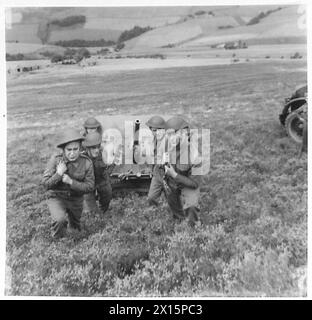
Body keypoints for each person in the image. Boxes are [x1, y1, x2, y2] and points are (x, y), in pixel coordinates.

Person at [41, 129, 95, 238]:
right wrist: (58, 174)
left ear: (80, 148)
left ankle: (73, 239)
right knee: (59, 220)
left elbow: (90, 186)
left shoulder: (86, 163)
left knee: (75, 228)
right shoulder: (55, 160)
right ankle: (57, 243)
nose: (72, 153)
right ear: (63, 150)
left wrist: (71, 182)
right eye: (69, 149)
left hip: (76, 198)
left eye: (76, 149)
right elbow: (45, 185)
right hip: (56, 196)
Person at [162, 116, 202, 227]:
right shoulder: (167, 145)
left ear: (184, 133)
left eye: (174, 133)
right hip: (172, 181)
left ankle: (193, 228)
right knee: (172, 199)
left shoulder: (194, 155)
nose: (171, 138)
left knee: (192, 206)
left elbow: (194, 184)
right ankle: (179, 219)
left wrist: (174, 174)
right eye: (168, 134)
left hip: (188, 183)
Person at [82, 132, 112, 214]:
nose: (96, 150)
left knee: (107, 196)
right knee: (92, 212)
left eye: (98, 147)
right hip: (88, 183)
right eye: (93, 148)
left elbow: (109, 166)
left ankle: (103, 211)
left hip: (101, 179)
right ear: (87, 148)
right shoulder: (82, 158)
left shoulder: (104, 152)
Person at [145, 115, 166, 206]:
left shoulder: (169, 141)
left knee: (174, 199)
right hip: (157, 173)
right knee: (151, 198)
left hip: (169, 174)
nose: (156, 133)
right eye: (154, 130)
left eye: (159, 130)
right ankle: (155, 214)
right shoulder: (153, 140)